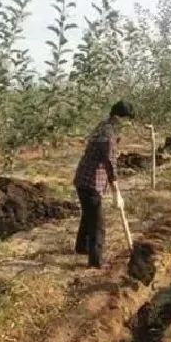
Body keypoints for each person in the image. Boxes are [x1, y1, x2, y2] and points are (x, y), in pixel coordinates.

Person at [73, 100, 135, 268]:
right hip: (91, 181)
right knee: (98, 224)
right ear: (117, 117)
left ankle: (81, 247)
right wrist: (117, 192)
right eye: (126, 119)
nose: (127, 123)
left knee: (89, 214)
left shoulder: (104, 127)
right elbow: (109, 162)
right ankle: (96, 262)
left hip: (84, 179)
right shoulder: (108, 135)